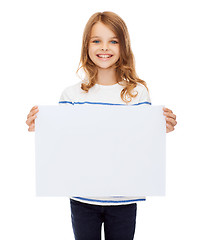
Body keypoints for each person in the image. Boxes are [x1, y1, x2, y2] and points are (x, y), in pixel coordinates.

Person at [26, 11, 177, 240]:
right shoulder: (72, 94)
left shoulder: (137, 93)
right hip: (82, 198)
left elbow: (140, 142)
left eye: (113, 41)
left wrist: (160, 128)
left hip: (125, 198)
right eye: (96, 40)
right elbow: (65, 142)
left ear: (123, 46)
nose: (104, 47)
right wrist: (42, 128)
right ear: (86, 45)